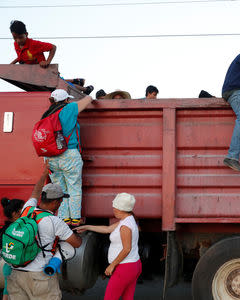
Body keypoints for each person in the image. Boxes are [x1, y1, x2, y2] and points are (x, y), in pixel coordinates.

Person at [7, 166, 82, 300]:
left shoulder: (27, 208)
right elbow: (76, 244)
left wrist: (44, 175)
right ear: (55, 202)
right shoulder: (54, 221)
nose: (60, 203)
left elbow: (35, 192)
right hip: (39, 277)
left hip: (16, 274)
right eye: (60, 201)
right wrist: (76, 233)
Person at [75, 193, 141, 300]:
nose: (113, 210)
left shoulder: (125, 226)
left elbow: (127, 249)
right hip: (133, 266)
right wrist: (87, 227)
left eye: (115, 208)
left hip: (124, 268)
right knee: (127, 298)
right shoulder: (128, 219)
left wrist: (112, 265)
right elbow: (107, 229)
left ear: (121, 209)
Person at [44, 89, 94, 226]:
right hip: (69, 154)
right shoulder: (69, 108)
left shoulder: (47, 114)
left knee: (60, 188)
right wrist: (88, 94)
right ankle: (75, 218)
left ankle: (64, 218)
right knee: (74, 187)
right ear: (66, 100)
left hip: (50, 157)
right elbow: (88, 100)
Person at [9, 20, 94, 95]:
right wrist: (11, 65)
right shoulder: (16, 44)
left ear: (26, 34)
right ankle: (77, 81)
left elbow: (53, 47)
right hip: (34, 72)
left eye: (20, 37)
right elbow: (20, 57)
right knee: (57, 81)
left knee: (60, 84)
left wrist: (47, 61)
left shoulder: (34, 44)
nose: (18, 41)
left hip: (43, 70)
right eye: (15, 38)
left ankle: (86, 89)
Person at [0, 197, 25, 300]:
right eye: (23, 210)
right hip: (14, 269)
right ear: (15, 214)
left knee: (6, 291)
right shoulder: (17, 230)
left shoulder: (4, 229)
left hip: (7, 267)